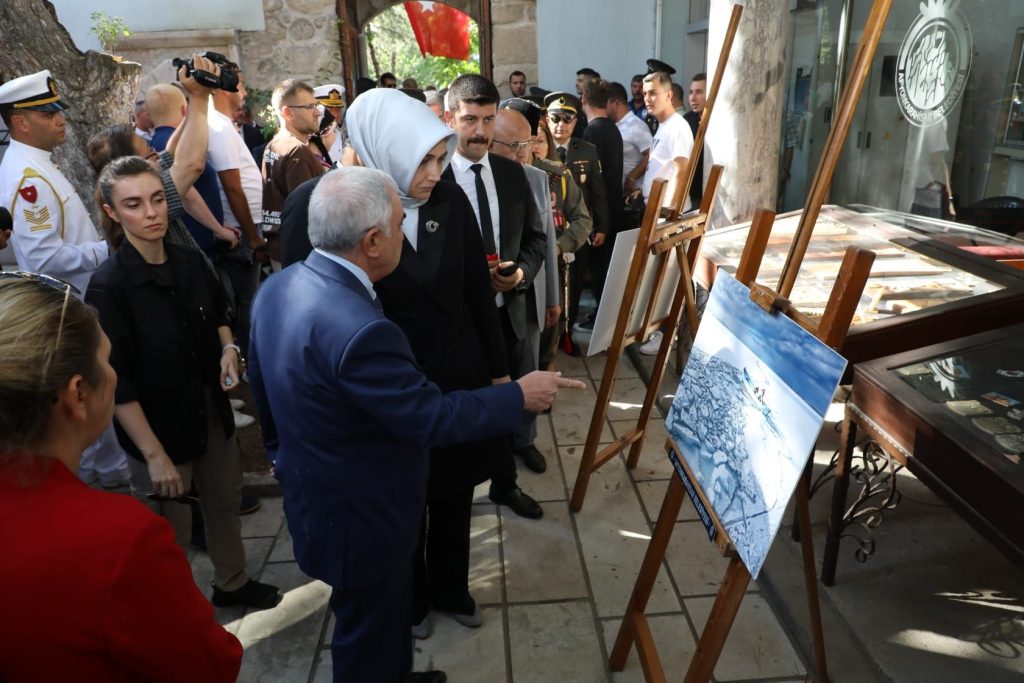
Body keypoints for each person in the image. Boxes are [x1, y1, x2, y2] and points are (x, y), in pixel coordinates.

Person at [247, 165, 583, 682]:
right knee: (367, 634)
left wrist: (282, 456)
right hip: (363, 518)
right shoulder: (360, 330)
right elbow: (429, 416)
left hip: (319, 495)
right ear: (374, 241)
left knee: (377, 629)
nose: (409, 231)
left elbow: (264, 392)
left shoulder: (281, 287)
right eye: (402, 223)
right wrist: (518, 394)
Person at [0, 273, 242, 681]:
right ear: (78, 394)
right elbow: (210, 666)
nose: (112, 374)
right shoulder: (119, 541)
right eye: (106, 360)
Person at [346, 87, 514, 640]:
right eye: (423, 159)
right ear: (387, 152)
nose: (435, 171)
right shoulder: (352, 211)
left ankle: (450, 587)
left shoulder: (448, 201)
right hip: (395, 387)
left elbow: (475, 293)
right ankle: (412, 599)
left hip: (456, 377)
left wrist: (498, 370)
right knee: (404, 502)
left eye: (440, 157)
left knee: (455, 494)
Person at [85, 156, 282, 611]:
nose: (151, 213)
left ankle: (232, 583)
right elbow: (119, 381)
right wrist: (154, 457)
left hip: (209, 412)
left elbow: (217, 315)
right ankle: (175, 610)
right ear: (112, 212)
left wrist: (229, 348)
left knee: (223, 506)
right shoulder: (109, 286)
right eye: (134, 204)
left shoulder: (189, 260)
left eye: (157, 199)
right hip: (157, 430)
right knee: (166, 532)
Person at [0, 69, 125, 487]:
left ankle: (107, 484)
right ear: (20, 121)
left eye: (58, 111)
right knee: (84, 412)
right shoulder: (26, 177)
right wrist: (106, 251)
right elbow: (42, 256)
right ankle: (100, 489)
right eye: (47, 113)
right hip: (70, 307)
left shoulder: (36, 164)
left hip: (81, 301)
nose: (60, 120)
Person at [443, 74, 549, 513]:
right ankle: (461, 487)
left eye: (488, 119)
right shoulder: (434, 177)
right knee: (469, 405)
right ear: (450, 118)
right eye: (470, 120)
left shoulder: (510, 173)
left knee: (514, 400)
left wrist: (520, 272)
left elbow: (537, 239)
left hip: (511, 312)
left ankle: (506, 480)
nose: (481, 132)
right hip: (461, 324)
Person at [142, 82, 241, 258]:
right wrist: (218, 229)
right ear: (184, 109)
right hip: (197, 242)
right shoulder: (178, 146)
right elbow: (188, 193)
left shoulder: (159, 143)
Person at [207, 60, 264, 362]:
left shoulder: (222, 124)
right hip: (240, 231)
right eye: (239, 84)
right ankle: (253, 364)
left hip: (243, 228)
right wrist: (254, 237)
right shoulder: (217, 126)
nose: (243, 92)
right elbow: (232, 188)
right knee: (246, 304)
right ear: (222, 87)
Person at [637, 70, 694, 355]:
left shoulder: (678, 126)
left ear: (669, 95)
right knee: (658, 277)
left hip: (669, 213)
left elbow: (682, 168)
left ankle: (664, 334)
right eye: (645, 93)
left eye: (653, 93)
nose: (647, 98)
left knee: (667, 279)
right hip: (655, 209)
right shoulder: (663, 126)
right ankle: (657, 330)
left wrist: (670, 213)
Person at [544, 91, 609, 337]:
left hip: (578, 229)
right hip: (548, 227)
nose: (560, 124)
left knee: (576, 279)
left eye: (567, 119)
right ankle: (548, 334)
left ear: (576, 121)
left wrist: (601, 226)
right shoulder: (539, 148)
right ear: (546, 120)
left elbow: (597, 192)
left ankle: (567, 332)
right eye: (555, 118)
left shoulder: (587, 150)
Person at [262, 79, 326, 270]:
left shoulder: (274, 144)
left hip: (279, 249)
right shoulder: (297, 151)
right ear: (287, 112)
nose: (317, 112)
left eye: (316, 105)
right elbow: (308, 212)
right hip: (300, 256)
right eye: (309, 107)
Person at [580, 78, 624, 323]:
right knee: (604, 267)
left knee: (600, 268)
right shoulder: (611, 128)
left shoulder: (593, 131)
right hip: (613, 206)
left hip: (602, 212)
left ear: (583, 100)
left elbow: (594, 182)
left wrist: (598, 222)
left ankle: (602, 318)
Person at [608, 81, 653, 199]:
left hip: (634, 194)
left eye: (605, 103)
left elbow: (652, 154)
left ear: (615, 103)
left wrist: (632, 177)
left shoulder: (636, 126)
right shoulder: (613, 125)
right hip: (619, 194)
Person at [683, 72, 707, 208]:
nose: (693, 98)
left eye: (699, 92)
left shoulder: (719, 119)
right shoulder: (686, 120)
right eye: (691, 92)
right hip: (691, 194)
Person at [313, 83, 346, 163]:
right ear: (318, 110)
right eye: (330, 109)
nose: (336, 114)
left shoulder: (338, 132)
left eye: (338, 109)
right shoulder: (311, 137)